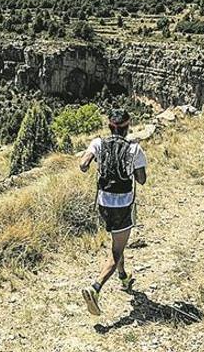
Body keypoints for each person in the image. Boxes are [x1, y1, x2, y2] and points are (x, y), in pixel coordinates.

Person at [78, 108, 148, 315]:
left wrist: (96, 163)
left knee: (117, 241)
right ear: (127, 128)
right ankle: (96, 287)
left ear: (109, 126)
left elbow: (82, 164)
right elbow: (142, 180)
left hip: (103, 203)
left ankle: (124, 277)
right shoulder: (134, 149)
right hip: (123, 204)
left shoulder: (98, 143)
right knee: (117, 249)